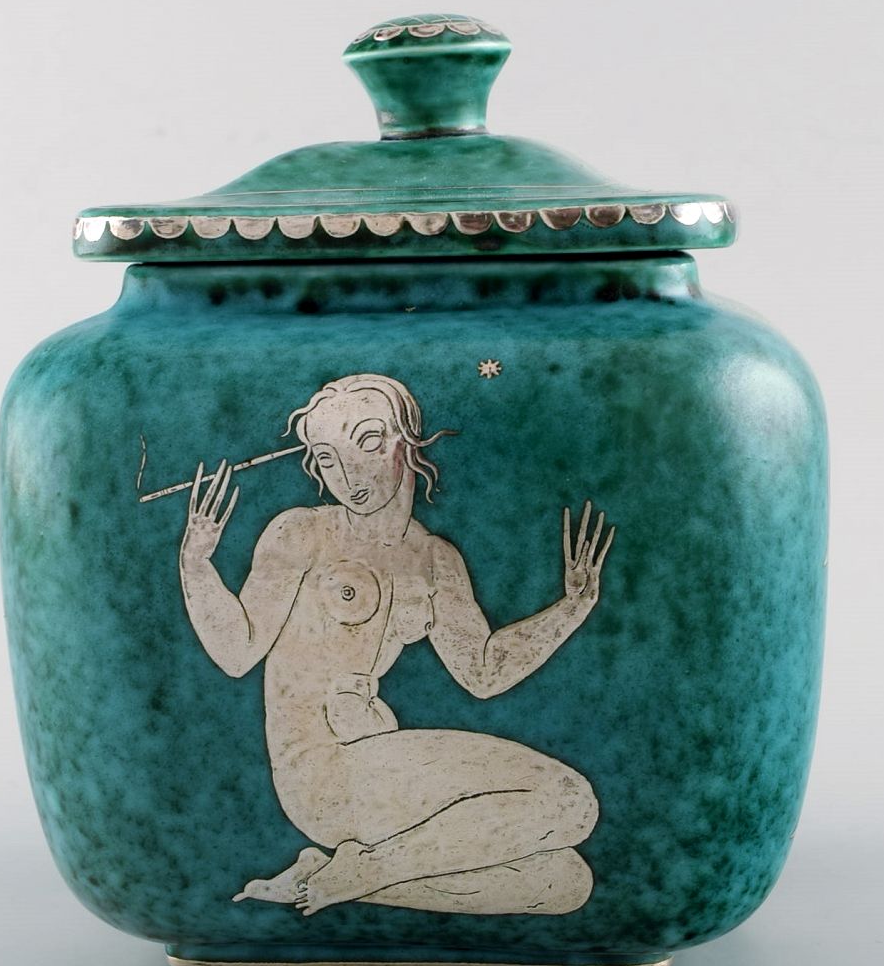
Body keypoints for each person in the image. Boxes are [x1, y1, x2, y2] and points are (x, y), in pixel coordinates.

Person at [178, 373, 614, 916]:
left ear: (408, 440)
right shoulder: (303, 533)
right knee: (569, 802)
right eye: (327, 458)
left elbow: (484, 672)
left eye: (367, 442)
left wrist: (571, 608)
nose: (348, 474)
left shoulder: (434, 558)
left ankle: (328, 874)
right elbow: (236, 651)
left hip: (380, 762)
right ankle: (368, 868)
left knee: (564, 882)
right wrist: (196, 564)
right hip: (321, 768)